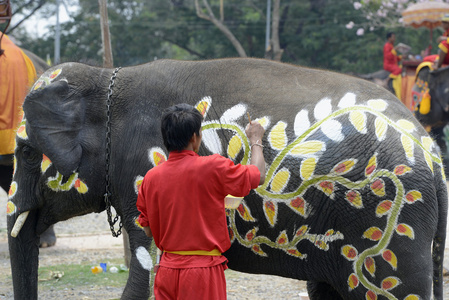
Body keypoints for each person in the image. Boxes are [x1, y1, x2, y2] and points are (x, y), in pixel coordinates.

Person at [136, 103, 266, 300]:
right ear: (194, 138)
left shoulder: (150, 178)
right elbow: (258, 176)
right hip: (202, 273)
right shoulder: (213, 167)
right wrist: (256, 139)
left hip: (167, 271)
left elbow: (148, 230)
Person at [383, 32, 402, 99]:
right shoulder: (387, 45)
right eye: (393, 37)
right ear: (389, 38)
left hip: (392, 64)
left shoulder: (391, 46)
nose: (394, 39)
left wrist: (401, 57)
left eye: (394, 37)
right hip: (388, 65)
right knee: (398, 69)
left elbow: (394, 58)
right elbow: (388, 56)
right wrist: (394, 50)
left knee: (400, 67)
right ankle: (387, 79)